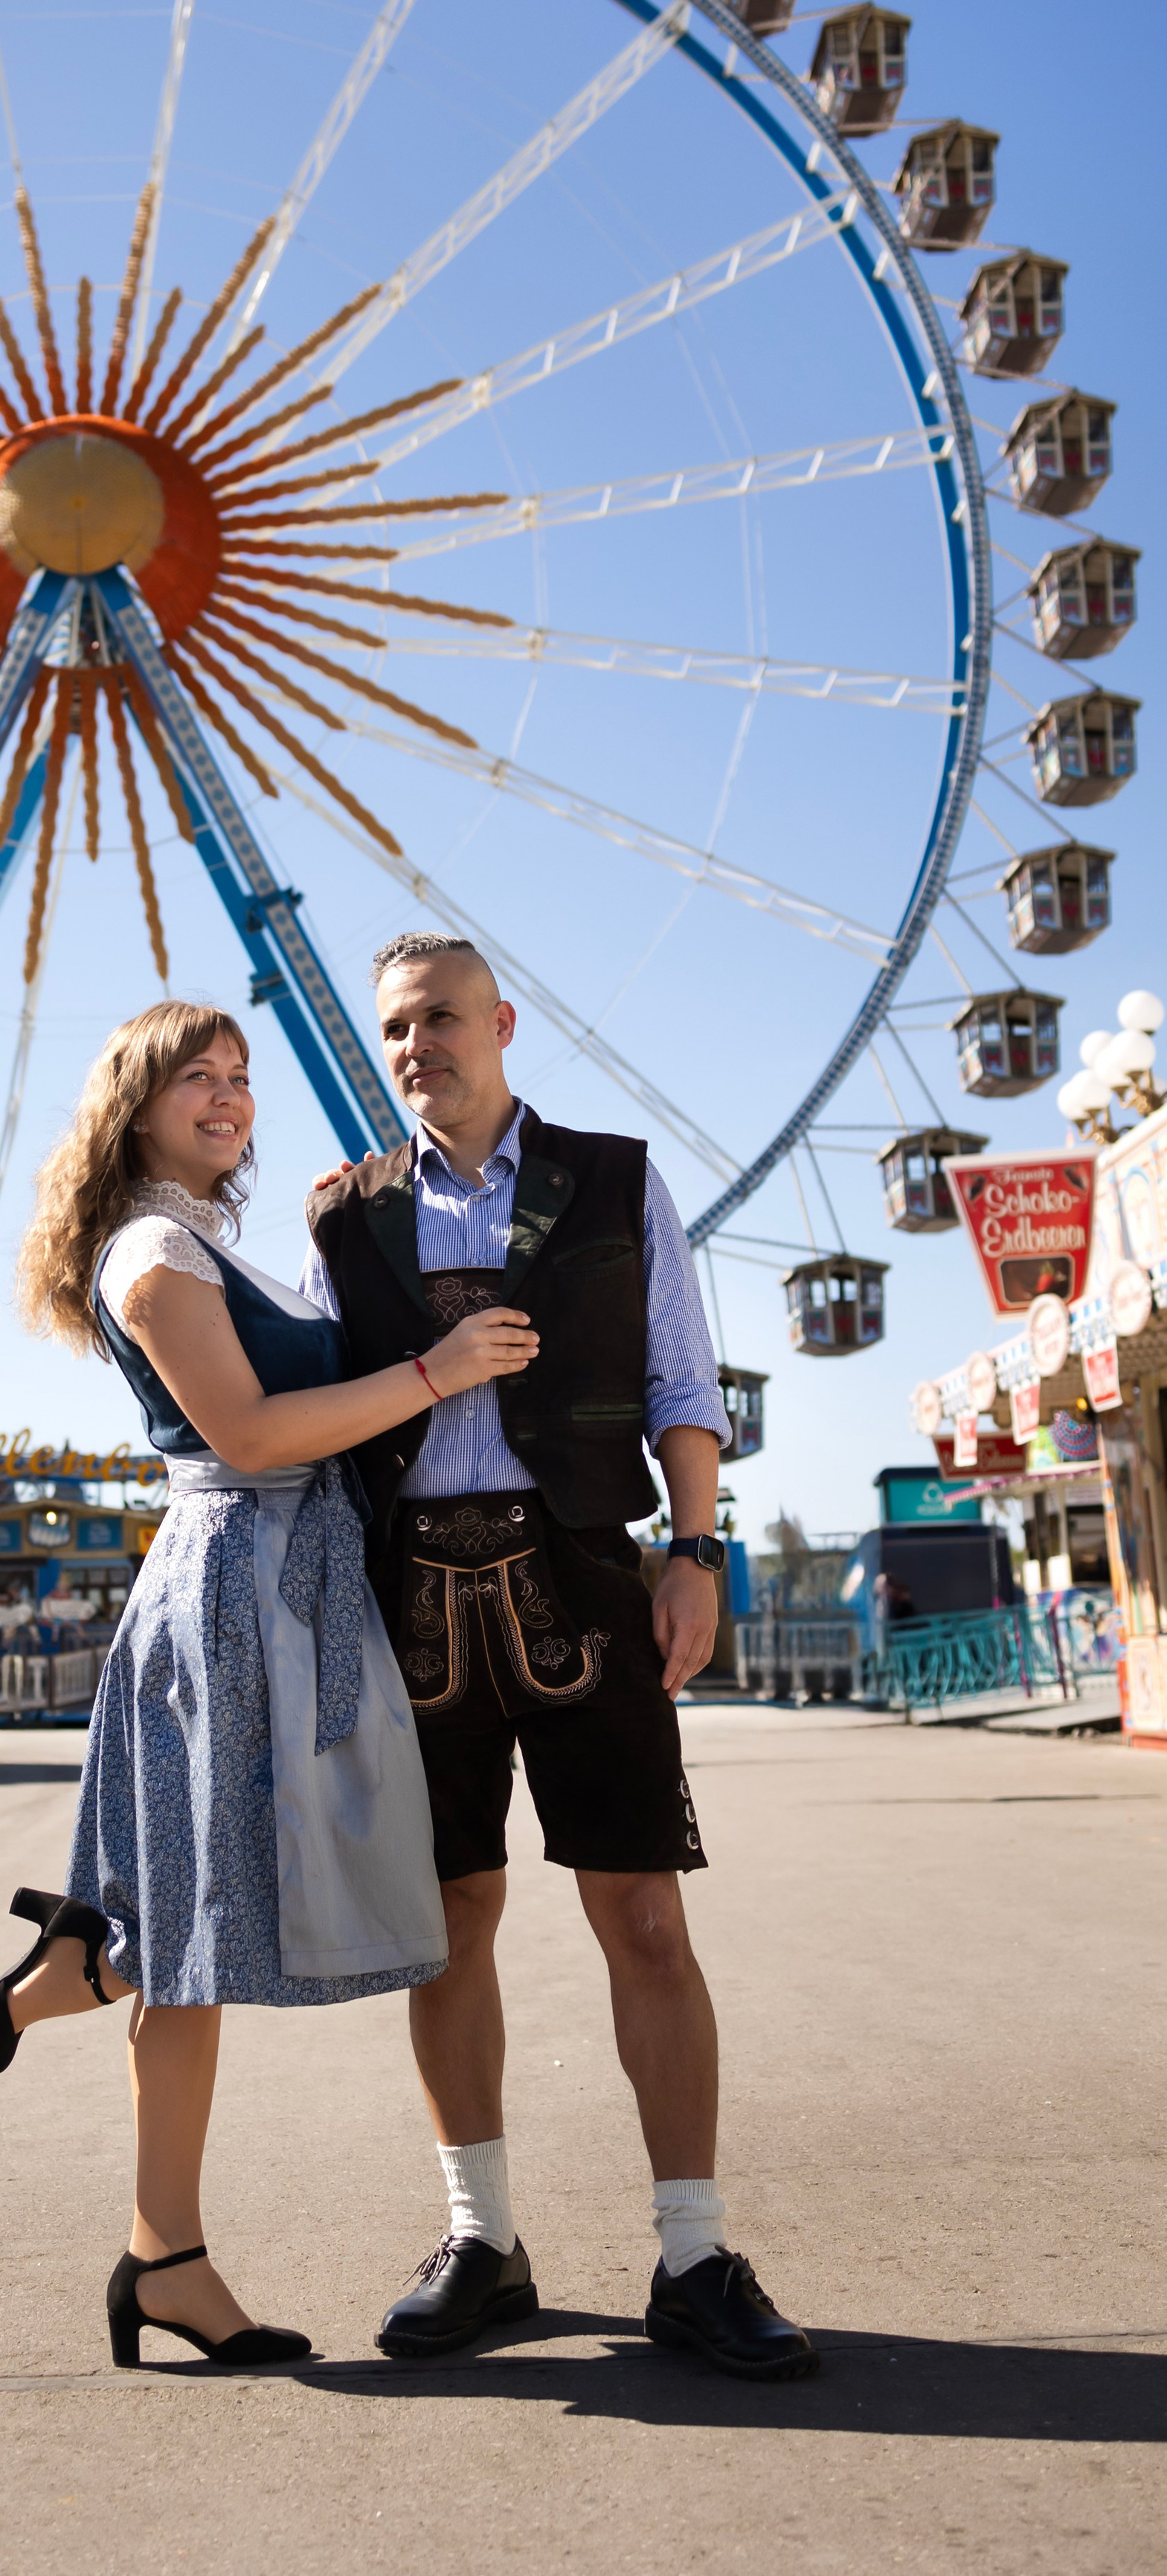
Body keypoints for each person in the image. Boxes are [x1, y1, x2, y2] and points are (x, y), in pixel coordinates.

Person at [0, 999, 537, 2370]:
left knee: (209, 1918)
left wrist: (340, 1229)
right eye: (198, 1081)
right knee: (202, 1936)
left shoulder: (219, 1242)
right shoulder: (151, 1252)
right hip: (237, 1586)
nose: (230, 1098)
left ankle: (75, 1971)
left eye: (240, 1077)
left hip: (295, 1577)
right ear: (136, 1107)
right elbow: (244, 1429)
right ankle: (159, 2241)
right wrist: (437, 1371)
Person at [302, 932, 817, 2382]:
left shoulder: (611, 1177)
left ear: (502, 1021)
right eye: (397, 1028)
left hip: (584, 1569)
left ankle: (692, 2250)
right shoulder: (342, 1210)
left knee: (641, 1917)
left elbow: (678, 1375)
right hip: (409, 1589)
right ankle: (481, 2240)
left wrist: (697, 1551)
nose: (420, 1048)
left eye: (443, 1019)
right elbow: (329, 1404)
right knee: (448, 1920)